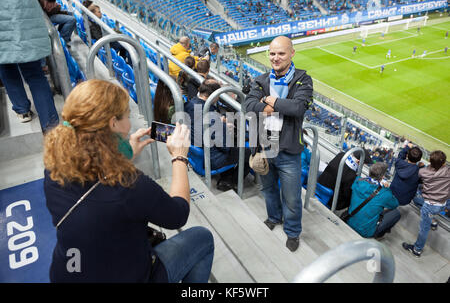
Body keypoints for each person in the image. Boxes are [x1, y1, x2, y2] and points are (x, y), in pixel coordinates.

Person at [43, 79, 214, 282]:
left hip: (71, 272)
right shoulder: (130, 186)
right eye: (127, 116)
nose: (130, 124)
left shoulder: (55, 166)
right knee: (203, 238)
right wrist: (179, 157)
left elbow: (96, 190)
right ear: (113, 123)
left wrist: (123, 156)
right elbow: (178, 214)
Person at [244, 36, 313, 252]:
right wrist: (276, 105)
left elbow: (297, 109)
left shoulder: (303, 79)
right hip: (265, 145)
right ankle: (274, 217)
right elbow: (248, 105)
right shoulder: (261, 80)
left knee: (292, 197)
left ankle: (292, 232)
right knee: (268, 188)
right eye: (272, 53)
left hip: (289, 150)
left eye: (281, 53)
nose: (275, 58)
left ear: (292, 53)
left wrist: (269, 100)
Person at [0, 0, 59, 132]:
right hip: (23, 23)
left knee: (6, 69)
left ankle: (22, 110)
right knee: (35, 75)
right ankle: (51, 127)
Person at [185, 79, 251, 191]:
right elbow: (225, 147)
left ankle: (226, 176)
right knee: (249, 152)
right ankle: (230, 182)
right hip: (212, 158)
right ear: (214, 95)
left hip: (195, 152)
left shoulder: (189, 104)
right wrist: (226, 128)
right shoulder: (211, 117)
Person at [402, 150, 450, 258]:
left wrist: (424, 166)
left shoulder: (422, 172)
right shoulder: (448, 171)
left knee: (424, 229)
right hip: (443, 203)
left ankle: (417, 249)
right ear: (443, 163)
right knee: (418, 200)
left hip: (430, 206)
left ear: (430, 161)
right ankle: (432, 220)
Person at [347, 162, 401, 240]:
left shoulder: (358, 180)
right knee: (396, 213)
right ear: (382, 177)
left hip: (349, 220)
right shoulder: (385, 193)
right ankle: (378, 236)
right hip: (365, 232)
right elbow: (395, 204)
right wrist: (387, 188)